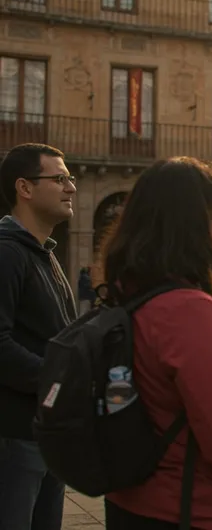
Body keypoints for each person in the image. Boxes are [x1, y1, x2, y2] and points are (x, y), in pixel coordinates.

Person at [99, 157, 212, 529]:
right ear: (193, 225)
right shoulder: (188, 309)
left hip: (130, 497)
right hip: (188, 506)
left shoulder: (130, 291)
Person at [0, 144, 77, 530]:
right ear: (24, 188)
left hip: (46, 430)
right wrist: (58, 378)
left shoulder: (44, 252)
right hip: (15, 436)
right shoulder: (8, 253)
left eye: (71, 179)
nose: (71, 188)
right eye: (60, 179)